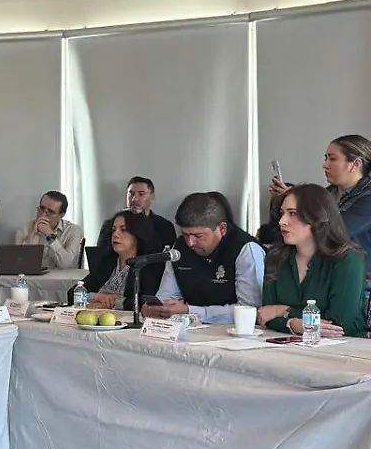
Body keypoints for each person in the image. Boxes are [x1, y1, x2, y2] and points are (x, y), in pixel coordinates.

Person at [258, 184, 367, 337]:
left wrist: (284, 311)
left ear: (317, 217)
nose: (282, 221)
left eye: (293, 213)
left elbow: (337, 325)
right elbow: (265, 315)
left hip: (344, 347)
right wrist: (293, 324)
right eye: (282, 213)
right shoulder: (275, 257)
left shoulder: (348, 260)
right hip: (287, 344)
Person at [145, 193, 265, 324]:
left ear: (222, 229)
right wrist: (158, 308)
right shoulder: (179, 247)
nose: (190, 243)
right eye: (185, 234)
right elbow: (167, 295)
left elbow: (249, 310)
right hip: (190, 328)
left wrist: (191, 311)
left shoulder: (246, 249)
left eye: (198, 236)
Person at [271, 135, 371, 272]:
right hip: (322, 270)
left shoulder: (368, 198)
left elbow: (337, 231)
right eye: (326, 158)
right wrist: (289, 201)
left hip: (358, 276)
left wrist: (301, 203)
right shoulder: (327, 193)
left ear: (356, 164)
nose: (325, 165)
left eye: (333, 159)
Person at [76, 210, 163, 310]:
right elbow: (73, 292)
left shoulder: (148, 264)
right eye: (114, 230)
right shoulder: (107, 261)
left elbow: (146, 302)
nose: (115, 234)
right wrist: (95, 297)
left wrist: (112, 304)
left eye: (123, 230)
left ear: (137, 234)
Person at [96, 176, 177, 253]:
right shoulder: (110, 225)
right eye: (131, 194)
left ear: (152, 197)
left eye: (141, 194)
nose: (134, 199)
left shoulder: (164, 226)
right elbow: (101, 255)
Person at [12, 191, 84, 270]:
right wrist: (32, 235)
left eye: (51, 211)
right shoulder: (24, 229)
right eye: (42, 208)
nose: (43, 214)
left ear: (61, 215)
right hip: (34, 277)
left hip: (64, 277)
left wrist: (49, 235)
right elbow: (19, 262)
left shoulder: (74, 231)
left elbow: (65, 264)